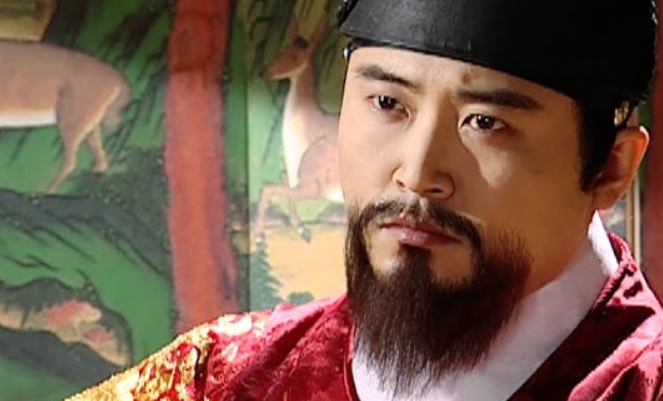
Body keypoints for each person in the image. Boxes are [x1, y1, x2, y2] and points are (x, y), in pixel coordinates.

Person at [63, 0, 662, 400]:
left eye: (486, 122)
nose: (417, 174)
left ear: (611, 168)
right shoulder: (222, 380)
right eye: (388, 104)